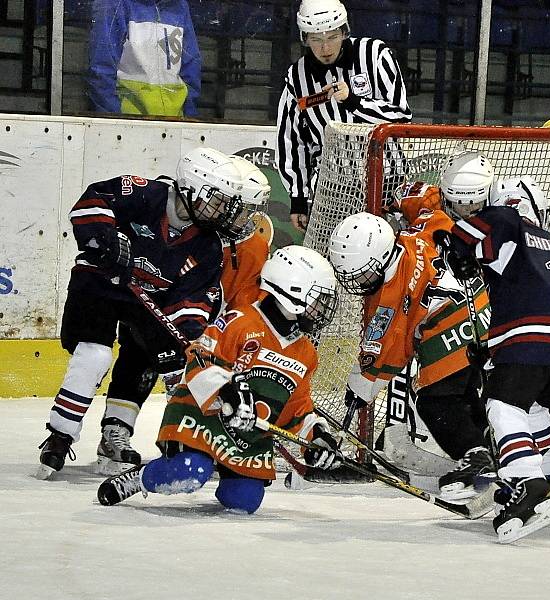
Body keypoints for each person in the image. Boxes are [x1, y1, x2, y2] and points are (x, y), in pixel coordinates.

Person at [36, 148, 261, 480]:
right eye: (216, 200)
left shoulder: (208, 246)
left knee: (158, 358)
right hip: (99, 281)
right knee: (95, 354)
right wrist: (105, 240)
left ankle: (116, 436)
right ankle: (60, 433)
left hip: (145, 300)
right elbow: (91, 202)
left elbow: (191, 302)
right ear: (191, 189)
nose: (221, 211)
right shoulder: (144, 193)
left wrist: (186, 340)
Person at [97, 246, 342, 513]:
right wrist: (226, 390)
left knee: (244, 500)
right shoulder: (241, 322)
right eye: (318, 299)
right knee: (190, 471)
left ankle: (228, 473)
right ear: (291, 293)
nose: (322, 308)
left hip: (246, 436)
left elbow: (296, 408)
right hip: (203, 418)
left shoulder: (305, 353)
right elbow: (199, 360)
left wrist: (316, 437)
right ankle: (141, 478)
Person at [439, 172, 550, 544]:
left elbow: (475, 231)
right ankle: (547, 485)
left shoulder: (506, 220)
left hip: (538, 330)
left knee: (503, 407)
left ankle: (529, 485)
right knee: (535, 410)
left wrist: (455, 248)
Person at [93, 157, 272, 476]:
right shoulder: (200, 229)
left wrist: (220, 334)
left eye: (250, 212)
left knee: (206, 378)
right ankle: (115, 433)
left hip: (211, 328)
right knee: (139, 355)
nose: (245, 218)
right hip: (165, 312)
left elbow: (244, 301)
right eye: (241, 208)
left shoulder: (254, 246)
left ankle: (199, 439)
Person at [328, 206, 493, 502]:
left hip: (452, 327)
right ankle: (492, 453)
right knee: (464, 394)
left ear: (380, 258)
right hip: (485, 312)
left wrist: (357, 392)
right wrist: (406, 198)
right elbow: (433, 210)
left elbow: (384, 355)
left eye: (365, 274)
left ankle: (475, 458)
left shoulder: (392, 296)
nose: (361, 283)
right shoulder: (417, 234)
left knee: (434, 400)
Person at [277, 0, 412, 232]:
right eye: (316, 39)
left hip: (389, 182)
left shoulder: (375, 54)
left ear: (344, 31)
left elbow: (401, 117)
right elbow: (291, 141)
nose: (325, 48)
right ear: (305, 38)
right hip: (334, 189)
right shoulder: (296, 77)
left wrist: (354, 102)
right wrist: (298, 198)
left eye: (332, 37)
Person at [88, 0, 201, 117]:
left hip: (174, 123)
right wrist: (115, 122)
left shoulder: (180, 6)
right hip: (130, 123)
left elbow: (191, 67)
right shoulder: (115, 4)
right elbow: (102, 70)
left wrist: (189, 121)